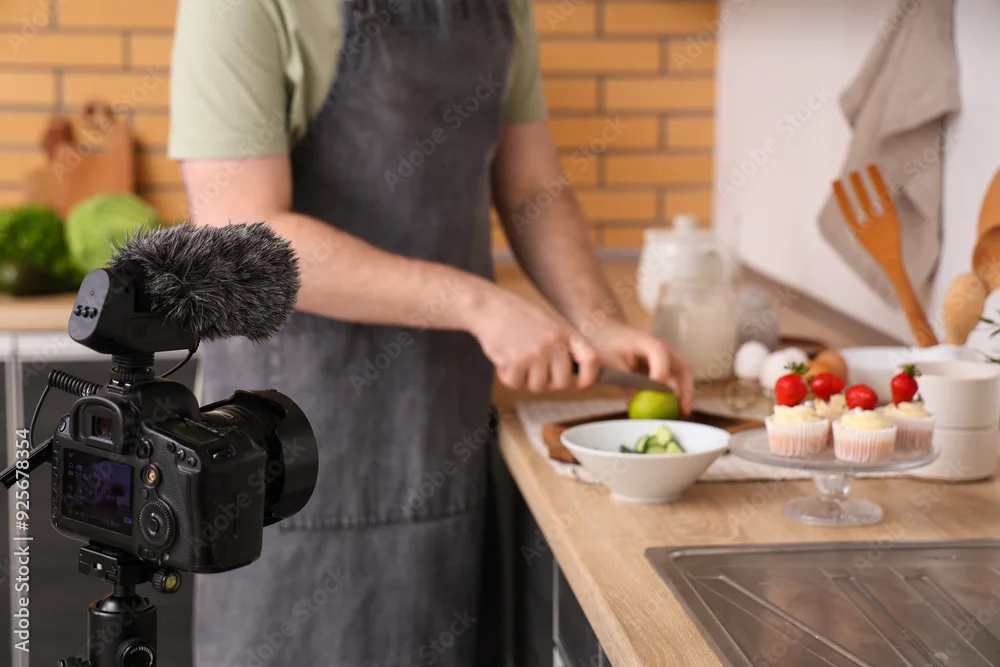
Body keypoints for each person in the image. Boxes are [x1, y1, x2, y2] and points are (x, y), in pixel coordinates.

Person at [168, 0, 694, 664]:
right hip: (289, 449)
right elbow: (243, 232)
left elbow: (532, 184)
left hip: (439, 431)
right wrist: (477, 304)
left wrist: (599, 322)